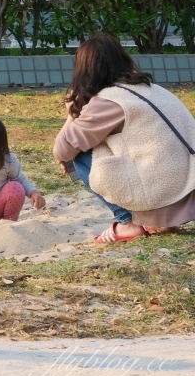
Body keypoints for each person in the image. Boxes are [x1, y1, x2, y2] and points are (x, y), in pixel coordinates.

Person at [53, 34, 195, 243]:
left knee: (79, 155)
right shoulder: (151, 88)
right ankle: (157, 219)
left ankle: (127, 222)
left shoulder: (108, 101)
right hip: (188, 183)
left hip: (168, 189)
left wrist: (72, 115)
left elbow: (62, 150)